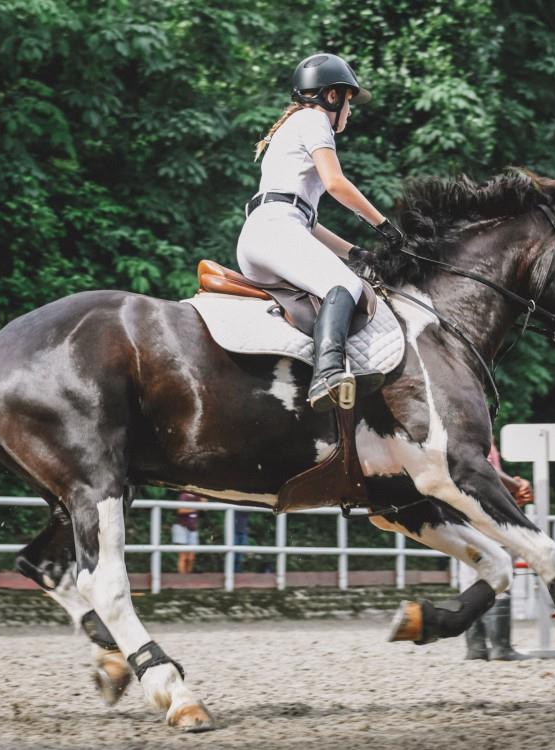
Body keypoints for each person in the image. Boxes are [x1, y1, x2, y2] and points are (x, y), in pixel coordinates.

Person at [237, 53, 405, 412]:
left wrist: (355, 252)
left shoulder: (291, 127)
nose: (350, 110)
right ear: (332, 96)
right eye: (349, 101)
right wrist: (384, 225)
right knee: (345, 286)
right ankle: (328, 375)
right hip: (276, 231)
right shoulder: (314, 120)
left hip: (267, 232)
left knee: (340, 277)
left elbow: (307, 223)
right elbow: (336, 183)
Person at [462, 441, 534, 661]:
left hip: (463, 515)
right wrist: (516, 485)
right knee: (499, 576)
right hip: (488, 514)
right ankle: (501, 647)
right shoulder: (476, 435)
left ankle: (476, 647)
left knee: (470, 579)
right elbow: (485, 471)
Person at [173, 492, 202, 574]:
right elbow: (181, 510)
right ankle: (182, 578)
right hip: (182, 527)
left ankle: (188, 575)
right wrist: (195, 508)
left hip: (193, 528)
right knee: (183, 557)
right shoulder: (183, 496)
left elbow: (205, 507)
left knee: (191, 557)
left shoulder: (197, 496)